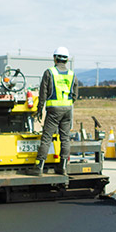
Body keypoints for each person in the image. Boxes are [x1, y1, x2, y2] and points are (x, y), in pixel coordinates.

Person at [25, 47, 77, 176]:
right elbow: (75, 95)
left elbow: (43, 93)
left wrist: (39, 109)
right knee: (65, 138)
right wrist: (67, 104)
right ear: (67, 59)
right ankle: (63, 167)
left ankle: (38, 168)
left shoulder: (50, 72)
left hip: (54, 110)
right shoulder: (72, 74)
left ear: (55, 58)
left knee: (47, 138)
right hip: (68, 109)